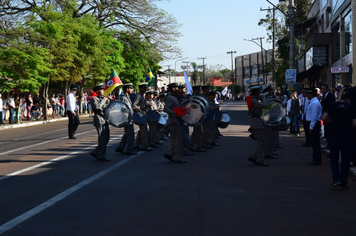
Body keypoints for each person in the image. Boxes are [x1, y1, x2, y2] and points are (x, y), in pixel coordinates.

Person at [322, 90, 356, 190]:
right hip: (347, 137)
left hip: (335, 136)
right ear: (349, 100)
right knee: (345, 160)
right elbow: (354, 124)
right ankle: (344, 182)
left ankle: (336, 179)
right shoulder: (351, 108)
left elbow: (324, 118)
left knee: (334, 159)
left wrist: (331, 122)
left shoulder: (332, 106)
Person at [163, 82, 187, 163]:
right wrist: (174, 113)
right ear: (173, 88)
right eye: (176, 88)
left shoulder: (175, 97)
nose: (178, 89)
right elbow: (166, 108)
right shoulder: (170, 97)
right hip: (174, 121)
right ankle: (177, 157)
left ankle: (169, 153)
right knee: (177, 140)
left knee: (176, 139)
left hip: (177, 120)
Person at [247, 85, 268, 166]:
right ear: (257, 92)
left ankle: (253, 156)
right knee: (261, 142)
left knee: (261, 142)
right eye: (259, 92)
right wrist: (263, 98)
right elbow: (264, 105)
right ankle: (259, 159)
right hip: (257, 123)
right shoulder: (253, 101)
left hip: (258, 122)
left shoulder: (255, 99)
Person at [90, 83, 111, 161]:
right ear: (97, 91)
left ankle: (96, 151)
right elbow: (97, 107)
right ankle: (101, 155)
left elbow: (109, 108)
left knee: (107, 138)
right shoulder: (94, 99)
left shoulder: (104, 98)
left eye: (103, 89)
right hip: (99, 120)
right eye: (101, 89)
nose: (102, 91)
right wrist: (103, 101)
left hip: (105, 119)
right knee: (102, 138)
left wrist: (110, 100)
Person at [116, 83, 137, 155]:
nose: (132, 90)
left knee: (127, 134)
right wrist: (129, 117)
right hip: (127, 118)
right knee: (130, 134)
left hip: (129, 117)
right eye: (131, 88)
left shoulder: (128, 97)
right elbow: (123, 109)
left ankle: (120, 147)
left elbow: (129, 108)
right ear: (127, 89)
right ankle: (129, 150)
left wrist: (135, 109)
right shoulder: (124, 98)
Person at [305, 88, 322, 165]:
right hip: (313, 123)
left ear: (311, 94)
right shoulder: (313, 102)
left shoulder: (314, 103)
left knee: (315, 143)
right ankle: (315, 158)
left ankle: (317, 159)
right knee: (314, 143)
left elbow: (314, 117)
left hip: (314, 124)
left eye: (308, 94)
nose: (307, 95)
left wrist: (311, 127)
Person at [133, 83, 151, 151]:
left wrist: (146, 107)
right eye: (145, 88)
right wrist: (140, 110)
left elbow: (143, 105)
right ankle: (144, 146)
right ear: (141, 88)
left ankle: (137, 144)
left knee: (141, 131)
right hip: (141, 115)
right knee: (144, 131)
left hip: (144, 114)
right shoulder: (139, 96)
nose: (146, 89)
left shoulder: (144, 96)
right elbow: (134, 105)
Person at [188, 85, 205, 152]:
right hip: (195, 116)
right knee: (198, 132)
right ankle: (198, 146)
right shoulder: (194, 98)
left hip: (198, 116)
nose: (199, 91)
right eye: (198, 90)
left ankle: (191, 145)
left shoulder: (196, 97)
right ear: (194, 90)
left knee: (195, 132)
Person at [320, 84, 335, 150]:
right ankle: (328, 144)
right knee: (326, 130)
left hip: (329, 116)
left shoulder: (331, 96)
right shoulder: (323, 96)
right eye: (322, 89)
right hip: (324, 115)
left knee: (330, 131)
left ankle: (331, 145)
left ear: (327, 89)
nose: (322, 90)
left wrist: (330, 116)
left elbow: (332, 106)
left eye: (324, 89)